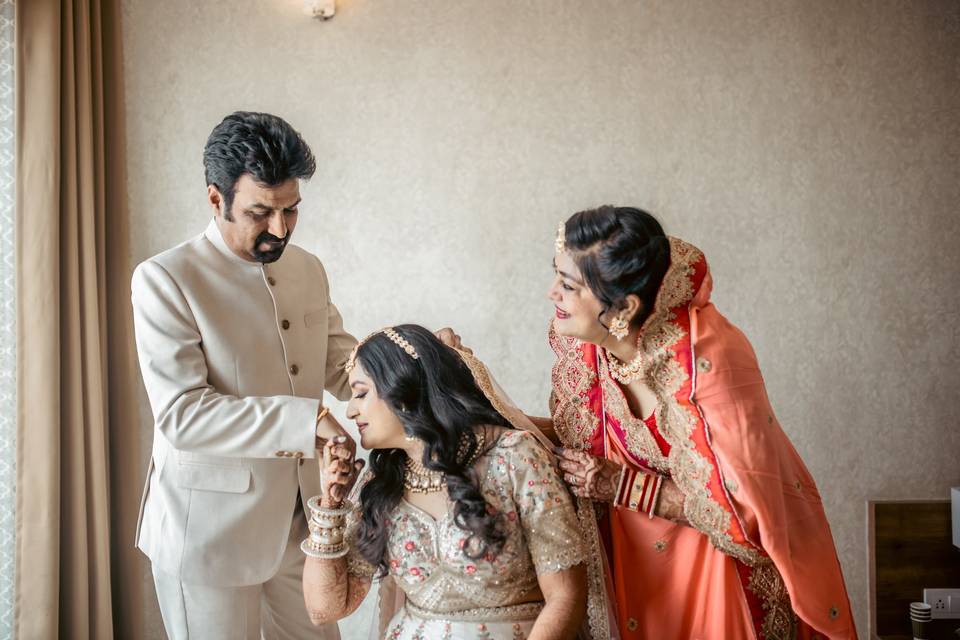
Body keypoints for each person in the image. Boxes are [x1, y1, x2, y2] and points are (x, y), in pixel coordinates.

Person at [540, 205, 857, 639]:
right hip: (638, 567)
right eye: (557, 276)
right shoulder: (590, 348)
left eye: (568, 285)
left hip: (717, 570)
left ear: (623, 308)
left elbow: (743, 511)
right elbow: (579, 438)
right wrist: (468, 388)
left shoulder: (707, 361)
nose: (551, 294)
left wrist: (623, 486)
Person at [131, 111, 359, 639]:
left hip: (305, 526)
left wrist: (418, 369)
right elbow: (182, 415)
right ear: (216, 199)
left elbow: (340, 364)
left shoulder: (307, 268)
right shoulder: (166, 279)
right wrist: (310, 422)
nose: (280, 228)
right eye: (261, 212)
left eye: (291, 210)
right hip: (208, 535)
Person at [300, 325, 588, 639]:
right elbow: (326, 609)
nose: (351, 410)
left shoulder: (513, 458)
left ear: (404, 388)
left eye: (361, 393)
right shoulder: (382, 482)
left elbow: (566, 597)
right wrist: (330, 507)